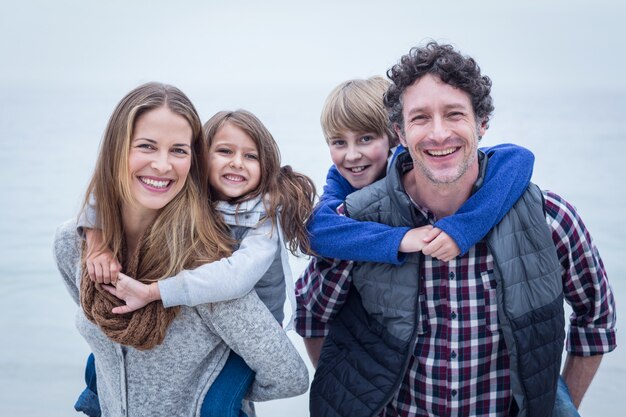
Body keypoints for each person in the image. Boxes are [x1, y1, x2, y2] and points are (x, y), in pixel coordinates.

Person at [297, 43, 616, 417]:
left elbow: (595, 321)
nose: (438, 133)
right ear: (399, 132)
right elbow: (312, 317)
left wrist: (557, 408)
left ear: (482, 123)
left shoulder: (550, 218)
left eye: (454, 114)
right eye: (420, 119)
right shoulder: (358, 219)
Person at [53, 82, 309, 417]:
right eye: (146, 146)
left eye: (178, 150)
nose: (162, 165)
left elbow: (288, 376)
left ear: (193, 161)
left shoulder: (206, 268)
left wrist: (206, 397)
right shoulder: (73, 243)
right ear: (117, 148)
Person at [295, 76, 535, 365]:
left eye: (366, 138)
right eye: (338, 142)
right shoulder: (343, 183)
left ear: (397, 138)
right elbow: (318, 231)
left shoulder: (429, 164)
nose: (352, 155)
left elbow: (519, 158)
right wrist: (400, 239)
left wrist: (463, 228)